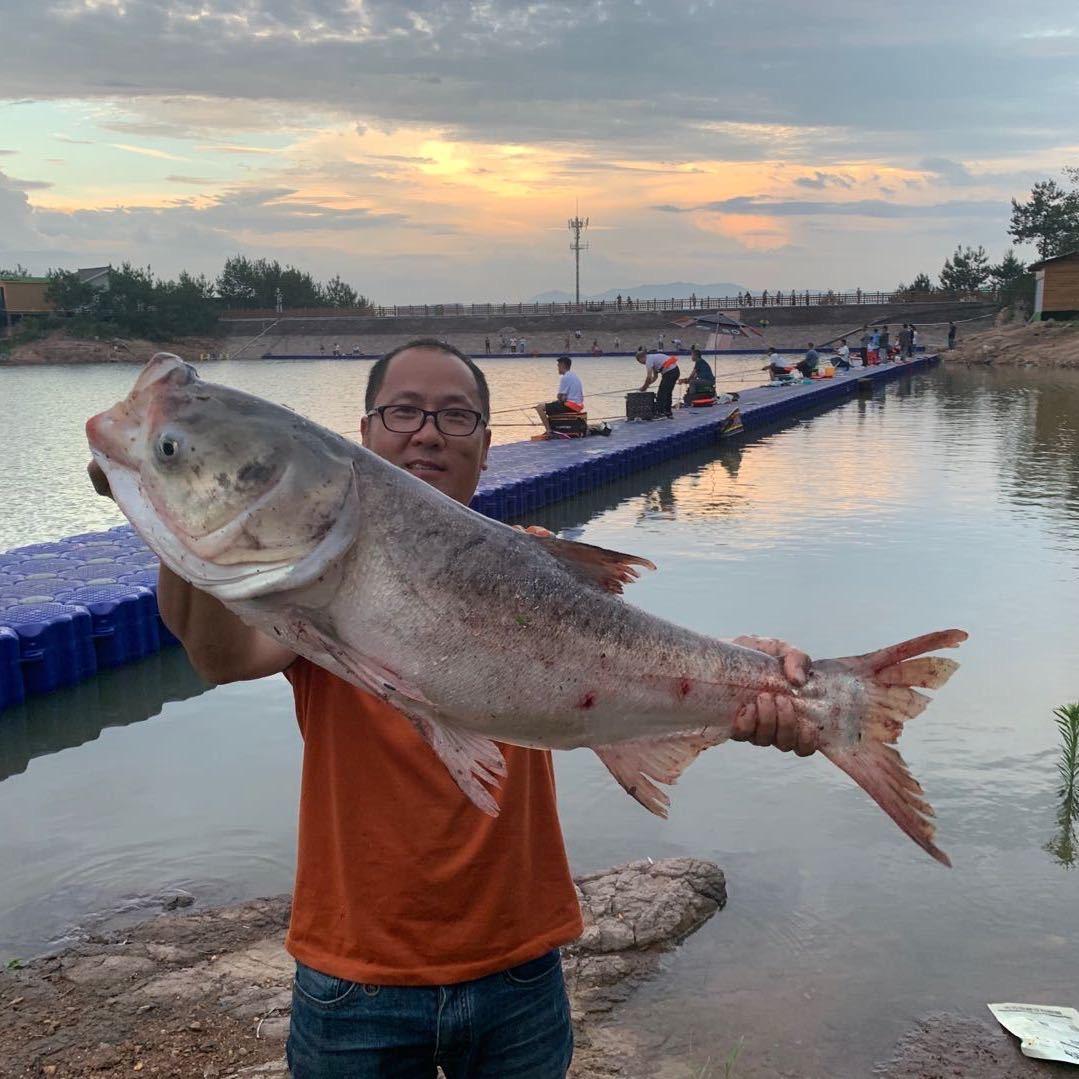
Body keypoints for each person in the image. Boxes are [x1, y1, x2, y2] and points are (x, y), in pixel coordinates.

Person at [86, 338, 815, 1077]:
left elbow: (640, 659)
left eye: (455, 415)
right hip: (353, 973)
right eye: (402, 411)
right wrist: (164, 485)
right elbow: (220, 656)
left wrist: (764, 676)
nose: (427, 430)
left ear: (486, 446)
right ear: (363, 432)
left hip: (520, 966)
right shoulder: (310, 582)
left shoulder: (532, 562)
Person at [535, 355, 584, 435]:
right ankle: (554, 427)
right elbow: (565, 397)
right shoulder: (574, 376)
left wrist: (559, 398)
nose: (557, 368)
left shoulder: (565, 378)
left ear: (563, 365)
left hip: (570, 406)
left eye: (558, 366)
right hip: (578, 406)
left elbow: (560, 397)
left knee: (539, 407)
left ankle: (549, 431)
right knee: (552, 405)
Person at [637, 347, 680, 417]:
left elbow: (649, 377)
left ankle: (660, 412)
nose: (642, 364)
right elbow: (655, 377)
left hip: (670, 372)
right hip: (675, 371)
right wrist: (648, 385)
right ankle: (668, 411)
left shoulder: (648, 360)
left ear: (641, 358)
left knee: (661, 393)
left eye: (640, 362)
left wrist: (644, 388)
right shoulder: (652, 359)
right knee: (668, 392)